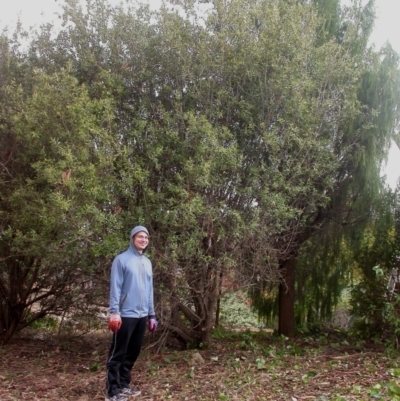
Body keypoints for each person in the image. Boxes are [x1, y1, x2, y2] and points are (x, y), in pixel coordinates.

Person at [105, 226, 157, 401]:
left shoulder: (147, 262)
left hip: (141, 315)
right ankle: (112, 391)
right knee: (118, 352)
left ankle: (123, 385)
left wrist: (151, 314)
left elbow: (149, 290)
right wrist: (114, 312)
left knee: (132, 352)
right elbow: (116, 287)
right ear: (132, 238)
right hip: (125, 314)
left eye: (146, 237)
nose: (143, 240)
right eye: (140, 237)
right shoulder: (121, 260)